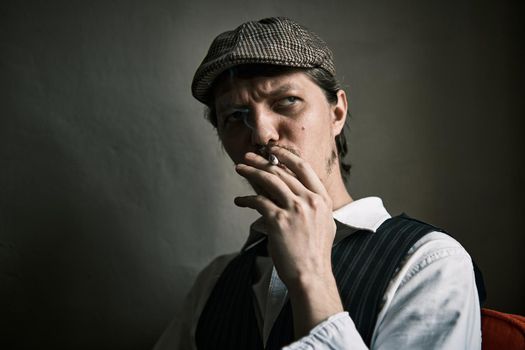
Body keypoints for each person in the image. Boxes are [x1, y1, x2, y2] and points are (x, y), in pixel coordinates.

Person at [155, 17, 484, 349]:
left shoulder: (430, 263)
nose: (262, 134)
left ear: (336, 113)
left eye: (286, 101)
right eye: (235, 117)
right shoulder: (214, 284)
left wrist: (311, 278)